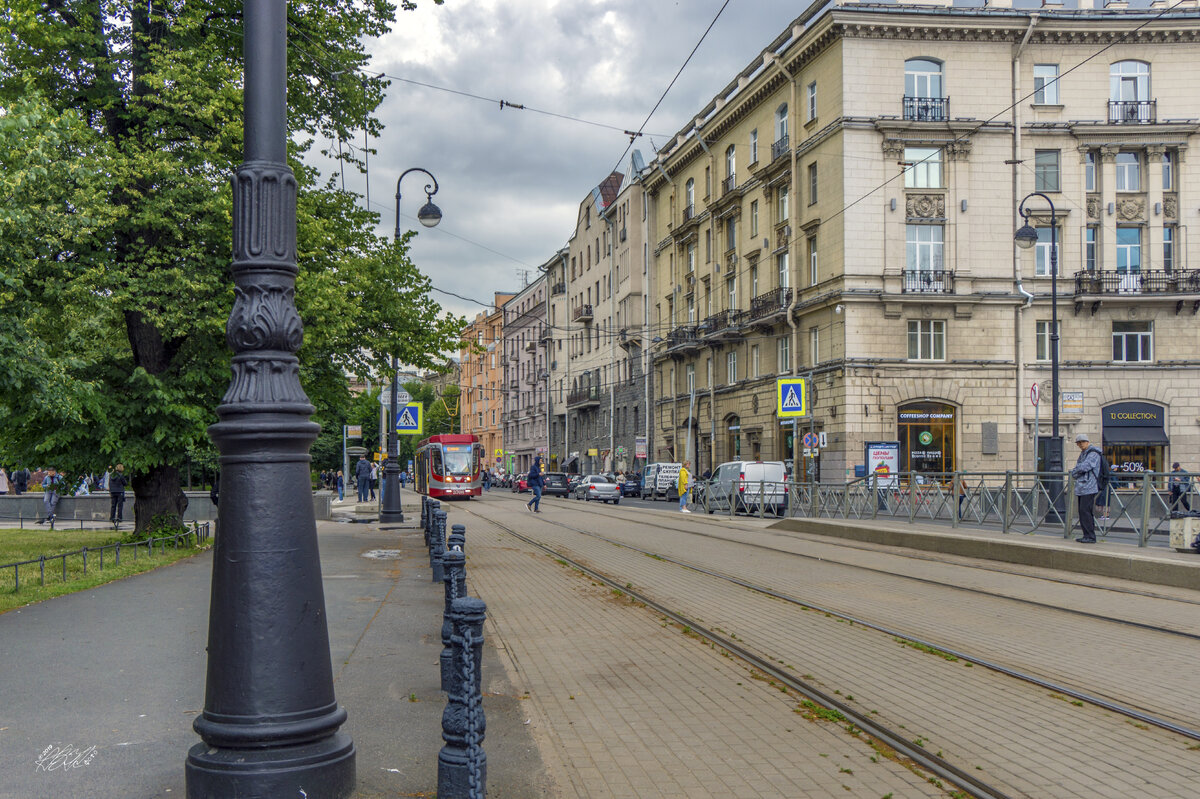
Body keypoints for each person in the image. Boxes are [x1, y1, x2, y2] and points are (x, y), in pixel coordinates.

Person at [1069, 434, 1102, 544]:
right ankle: (1086, 535)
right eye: (1079, 442)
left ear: (1088, 442)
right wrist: (1077, 469)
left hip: (1089, 487)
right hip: (1082, 487)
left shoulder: (1093, 453)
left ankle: (1090, 536)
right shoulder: (1083, 453)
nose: (1081, 444)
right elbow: (1078, 468)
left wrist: (1076, 470)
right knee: (1082, 512)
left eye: (1083, 442)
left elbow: (1085, 466)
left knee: (1086, 511)